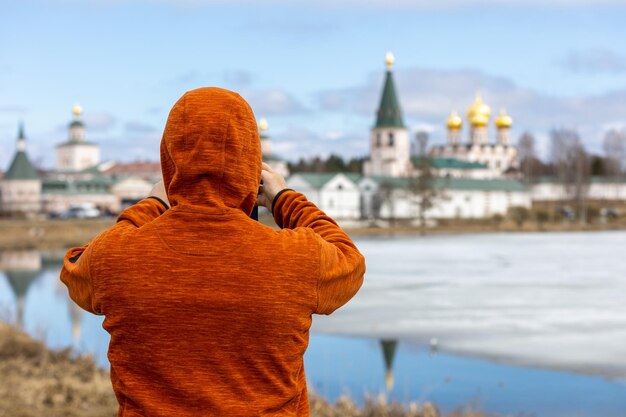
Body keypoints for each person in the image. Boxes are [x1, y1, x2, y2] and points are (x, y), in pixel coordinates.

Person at [60, 87, 365, 417]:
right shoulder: (296, 258)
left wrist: (152, 204)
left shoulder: (116, 258)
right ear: (251, 161)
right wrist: (284, 198)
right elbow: (350, 261)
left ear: (168, 157)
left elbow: (75, 269)